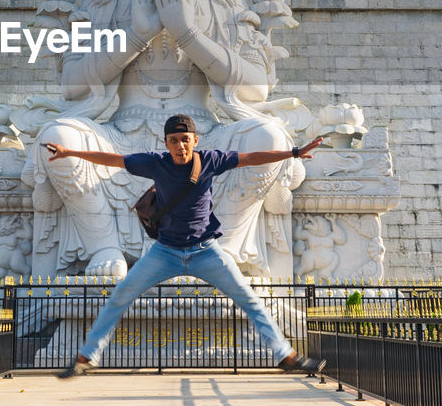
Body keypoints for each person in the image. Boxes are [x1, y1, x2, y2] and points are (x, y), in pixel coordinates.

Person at [17, 0, 307, 281]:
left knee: (268, 138)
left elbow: (256, 86)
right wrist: (134, 36)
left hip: (204, 141)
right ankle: (103, 248)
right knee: (62, 136)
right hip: (119, 136)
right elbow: (73, 83)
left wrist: (190, 35)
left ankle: (222, 247)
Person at [46, 113, 326, 378]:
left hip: (206, 252)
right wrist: (70, 153)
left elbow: (251, 158)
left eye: (185, 139)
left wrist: (293, 153)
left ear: (195, 140)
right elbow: (114, 160)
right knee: (121, 296)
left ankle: (286, 356)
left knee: (249, 300)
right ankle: (86, 358)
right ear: (166, 143)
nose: (180, 146)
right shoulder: (157, 163)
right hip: (165, 252)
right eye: (174, 141)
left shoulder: (212, 160)